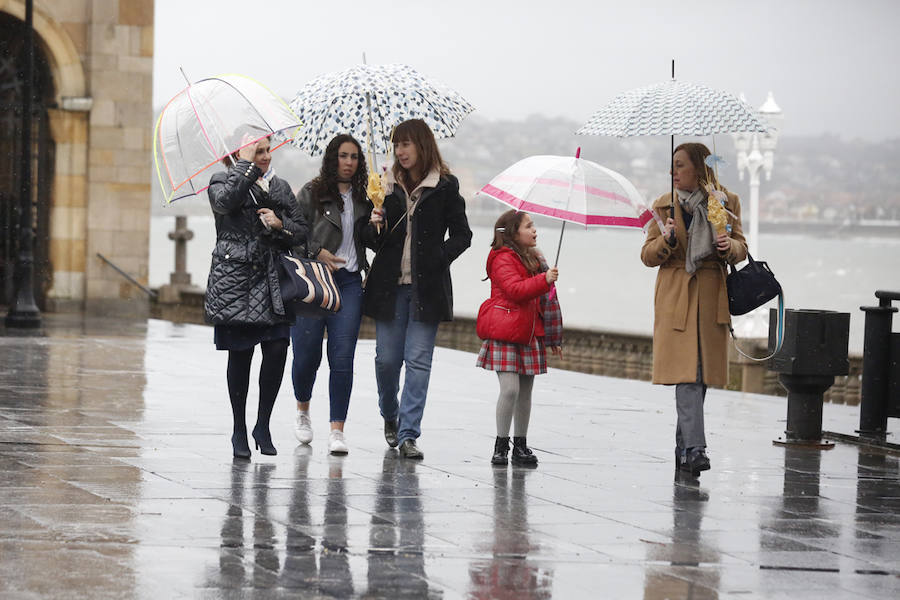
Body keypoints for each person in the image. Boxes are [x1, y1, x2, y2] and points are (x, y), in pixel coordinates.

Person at [362, 118, 473, 459]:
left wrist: (438, 256)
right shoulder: (383, 186)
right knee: (386, 361)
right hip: (389, 287)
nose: (400, 151)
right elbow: (370, 241)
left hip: (426, 288)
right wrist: (374, 223)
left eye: (406, 144)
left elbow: (463, 235)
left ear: (422, 145)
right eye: (396, 145)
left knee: (419, 361)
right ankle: (390, 414)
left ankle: (409, 434)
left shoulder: (445, 186)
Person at [640, 142, 747, 476]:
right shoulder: (663, 206)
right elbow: (646, 255)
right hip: (677, 299)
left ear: (700, 169)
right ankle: (695, 448)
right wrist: (666, 240)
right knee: (687, 377)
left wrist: (730, 247)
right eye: (672, 165)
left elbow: (742, 247)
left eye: (680, 166)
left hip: (711, 298)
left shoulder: (722, 202)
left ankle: (683, 448)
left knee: (699, 380)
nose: (674, 172)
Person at [205, 135, 308, 459]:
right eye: (257, 151)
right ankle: (239, 428)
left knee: (277, 350)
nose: (265, 157)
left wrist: (280, 225)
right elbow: (225, 203)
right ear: (240, 154)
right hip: (236, 281)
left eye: (267, 151)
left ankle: (262, 424)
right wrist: (246, 167)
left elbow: (302, 230)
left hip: (272, 281)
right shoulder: (221, 179)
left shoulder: (278, 186)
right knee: (241, 355)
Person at [290, 134, 371, 455]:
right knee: (306, 354)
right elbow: (291, 234)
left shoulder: (367, 198)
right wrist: (317, 251)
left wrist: (378, 222)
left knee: (342, 357)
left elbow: (371, 240)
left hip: (350, 283)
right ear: (332, 158)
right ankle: (302, 410)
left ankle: (337, 429)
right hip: (315, 282)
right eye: (343, 156)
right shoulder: (311, 193)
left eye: (354, 157)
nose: (349, 162)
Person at [476, 210, 562, 467]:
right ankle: (501, 444)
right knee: (510, 389)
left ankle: (520, 445)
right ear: (514, 232)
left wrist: (554, 336)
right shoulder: (502, 258)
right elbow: (515, 290)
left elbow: (550, 301)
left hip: (530, 332)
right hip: (506, 331)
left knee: (526, 392)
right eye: (529, 226)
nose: (535, 230)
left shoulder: (536, 258)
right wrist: (543, 279)